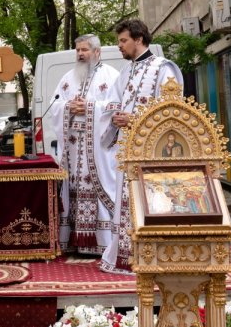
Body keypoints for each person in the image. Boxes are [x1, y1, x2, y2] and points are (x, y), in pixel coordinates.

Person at [95, 19, 183, 274]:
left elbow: (171, 111)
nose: (119, 46)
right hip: (128, 149)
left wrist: (134, 119)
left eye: (123, 41)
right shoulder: (126, 72)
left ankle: (156, 254)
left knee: (154, 201)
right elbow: (112, 102)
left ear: (139, 39)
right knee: (128, 200)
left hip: (152, 152)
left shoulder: (163, 69)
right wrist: (115, 117)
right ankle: (127, 252)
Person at [50, 34, 120, 255]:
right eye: (78, 50)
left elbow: (117, 106)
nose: (80, 54)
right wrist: (68, 107)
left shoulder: (112, 77)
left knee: (96, 186)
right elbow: (55, 105)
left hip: (98, 148)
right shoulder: (68, 77)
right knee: (72, 189)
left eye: (85, 50)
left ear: (97, 52)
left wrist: (90, 107)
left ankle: (101, 243)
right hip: (72, 146)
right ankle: (72, 242)